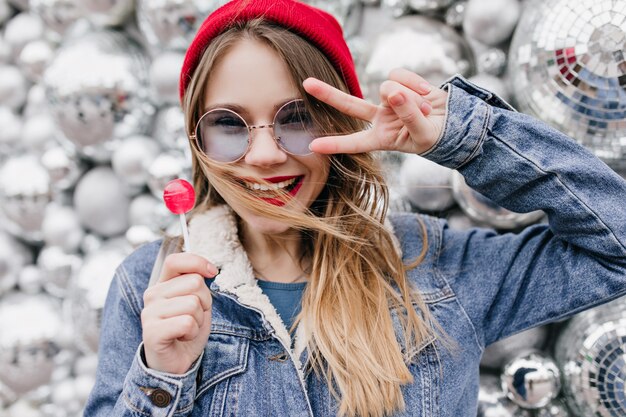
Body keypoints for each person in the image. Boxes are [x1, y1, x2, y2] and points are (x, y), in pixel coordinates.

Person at [83, 0, 626, 416]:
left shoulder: (438, 268)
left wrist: (466, 138)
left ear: (340, 125)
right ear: (197, 141)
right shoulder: (150, 286)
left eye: (296, 117)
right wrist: (163, 377)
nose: (267, 155)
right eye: (229, 124)